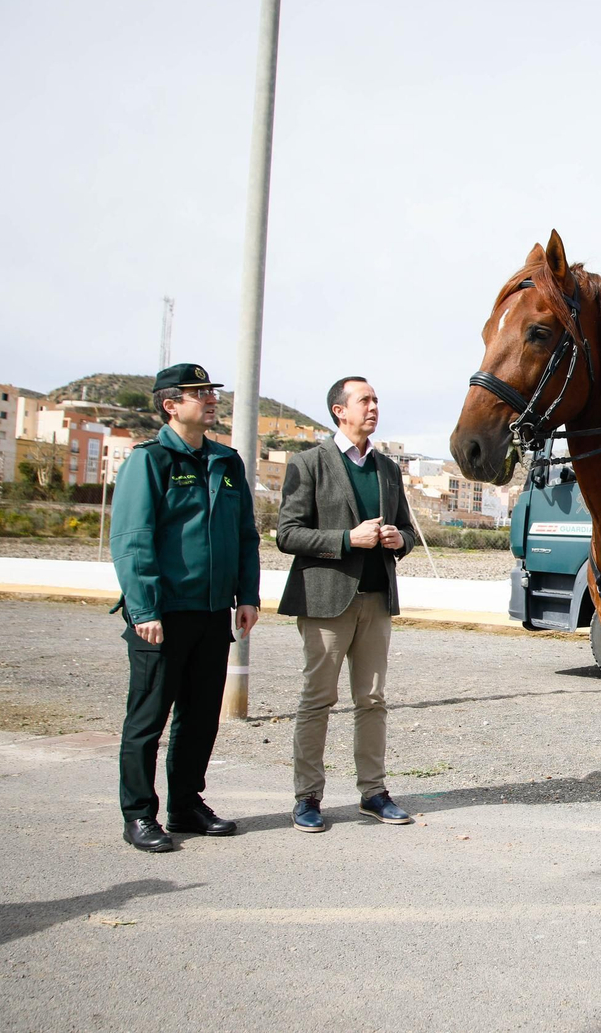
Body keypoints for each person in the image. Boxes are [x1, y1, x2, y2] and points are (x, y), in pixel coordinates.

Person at [109, 363, 260, 853]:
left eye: (211, 392)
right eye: (199, 393)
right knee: (148, 718)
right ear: (170, 404)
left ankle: (185, 806)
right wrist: (145, 608)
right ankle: (139, 815)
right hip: (163, 615)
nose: (211, 399)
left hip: (214, 612)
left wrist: (248, 596)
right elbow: (132, 541)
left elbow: (245, 537)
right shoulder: (149, 461)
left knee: (199, 718)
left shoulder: (226, 461)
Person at [277, 376, 418, 832]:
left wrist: (400, 540)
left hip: (376, 600)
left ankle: (373, 793)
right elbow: (288, 533)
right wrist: (345, 539)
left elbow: (407, 531)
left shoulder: (388, 470)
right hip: (325, 600)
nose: (374, 406)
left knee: (372, 699)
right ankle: (307, 798)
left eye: (377, 398)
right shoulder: (309, 462)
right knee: (317, 699)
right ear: (340, 411)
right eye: (365, 400)